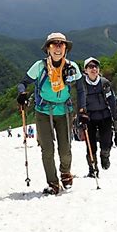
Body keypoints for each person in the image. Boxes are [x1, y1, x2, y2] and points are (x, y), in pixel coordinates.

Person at [17, 32, 86, 195]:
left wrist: (82, 110)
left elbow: (81, 89)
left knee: (65, 148)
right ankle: (53, 182)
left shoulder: (72, 67)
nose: (57, 48)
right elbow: (23, 82)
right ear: (48, 49)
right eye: (53, 44)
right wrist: (21, 94)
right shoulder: (40, 67)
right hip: (43, 111)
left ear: (65, 49)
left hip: (65, 111)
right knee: (47, 149)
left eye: (61, 44)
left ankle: (65, 172)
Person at [81, 57, 117, 178]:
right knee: (90, 145)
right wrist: (80, 118)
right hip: (89, 119)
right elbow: (79, 102)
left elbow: (112, 101)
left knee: (106, 142)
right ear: (85, 70)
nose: (93, 69)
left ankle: (105, 156)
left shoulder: (104, 83)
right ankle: (93, 169)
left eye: (95, 67)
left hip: (105, 117)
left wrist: (115, 118)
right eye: (90, 67)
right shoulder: (82, 85)